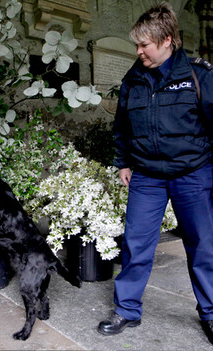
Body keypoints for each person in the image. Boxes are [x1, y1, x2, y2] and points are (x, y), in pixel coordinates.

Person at [98, 3, 213, 344]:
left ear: (166, 40)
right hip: (147, 175)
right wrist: (123, 162)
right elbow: (121, 126)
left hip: (192, 173)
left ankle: (210, 312)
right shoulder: (133, 78)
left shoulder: (197, 75)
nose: (138, 51)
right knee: (136, 243)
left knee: (203, 246)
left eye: (144, 45)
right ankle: (127, 309)